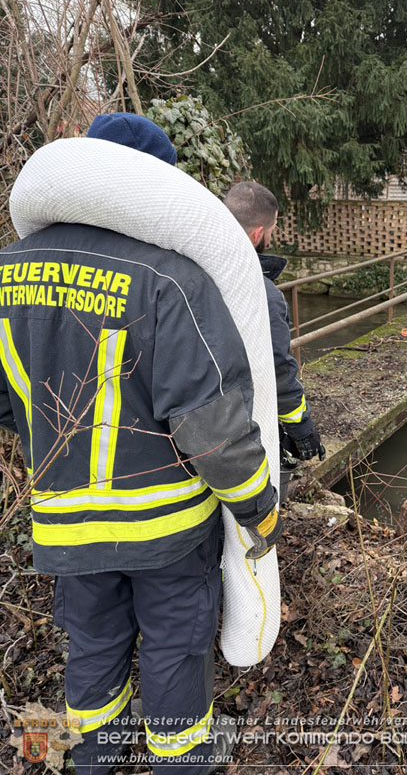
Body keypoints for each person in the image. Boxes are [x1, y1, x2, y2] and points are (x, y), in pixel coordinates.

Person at [0, 113, 281, 774]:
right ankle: (180, 762)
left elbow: (10, 405)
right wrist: (258, 506)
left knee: (92, 647)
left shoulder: (7, 271)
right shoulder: (169, 277)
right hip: (167, 529)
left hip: (65, 523)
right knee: (174, 652)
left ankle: (90, 762)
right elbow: (211, 428)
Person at [224, 182, 325, 501]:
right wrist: (301, 428)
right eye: (273, 228)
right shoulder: (262, 295)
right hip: (243, 425)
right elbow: (279, 370)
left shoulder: (193, 270)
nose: (273, 234)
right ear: (258, 234)